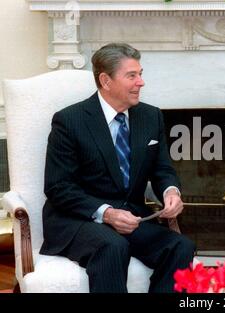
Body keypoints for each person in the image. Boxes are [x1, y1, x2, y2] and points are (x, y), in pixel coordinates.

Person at [40, 43, 196, 293]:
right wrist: (107, 213)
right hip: (80, 220)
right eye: (131, 75)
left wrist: (171, 192)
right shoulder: (70, 121)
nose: (141, 82)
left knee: (182, 247)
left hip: (132, 217)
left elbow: (162, 169)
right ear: (106, 80)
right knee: (112, 246)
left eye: (141, 74)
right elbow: (58, 187)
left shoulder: (150, 116)